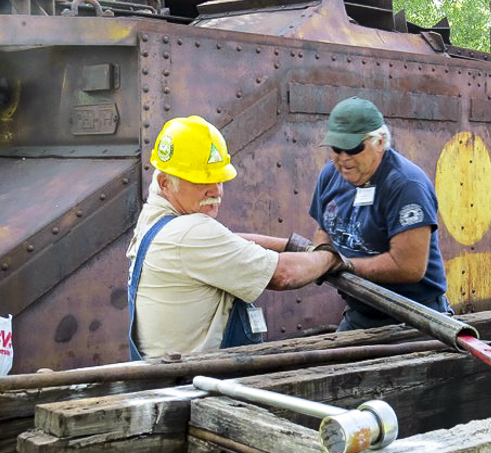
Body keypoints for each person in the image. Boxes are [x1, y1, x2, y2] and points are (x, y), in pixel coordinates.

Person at [126, 115, 344, 360]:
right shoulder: (191, 231)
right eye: (203, 181)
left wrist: (297, 247)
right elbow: (283, 275)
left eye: (220, 179)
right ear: (166, 183)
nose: (216, 191)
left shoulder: (156, 217)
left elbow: (230, 242)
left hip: (167, 375)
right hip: (191, 385)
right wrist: (330, 256)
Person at [308, 96, 452, 331]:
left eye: (354, 148)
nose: (343, 157)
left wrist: (337, 264)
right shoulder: (331, 175)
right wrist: (319, 256)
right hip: (361, 312)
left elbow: (409, 267)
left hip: (414, 317)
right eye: (336, 148)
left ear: (380, 141)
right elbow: (324, 229)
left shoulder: (406, 184)